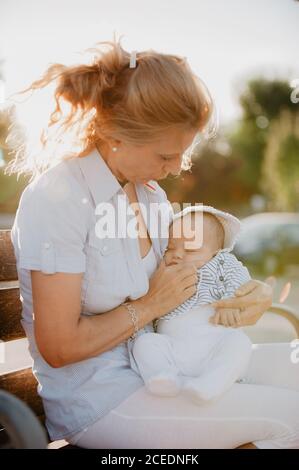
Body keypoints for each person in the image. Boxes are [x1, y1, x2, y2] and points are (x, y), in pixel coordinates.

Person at [6, 37, 299, 449]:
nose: (177, 167)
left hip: (174, 363)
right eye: (166, 156)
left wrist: (251, 293)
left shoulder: (150, 195)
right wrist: (149, 306)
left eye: (182, 153)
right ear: (114, 136)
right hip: (102, 401)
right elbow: (59, 346)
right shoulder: (60, 198)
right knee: (291, 419)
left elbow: (189, 272)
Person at [127, 205, 253, 403]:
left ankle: (210, 384)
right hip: (174, 352)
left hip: (215, 346)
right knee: (145, 344)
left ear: (216, 253)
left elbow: (241, 280)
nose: (177, 254)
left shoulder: (221, 265)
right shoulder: (163, 275)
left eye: (191, 249)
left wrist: (231, 303)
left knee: (239, 343)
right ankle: (163, 377)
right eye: (170, 248)